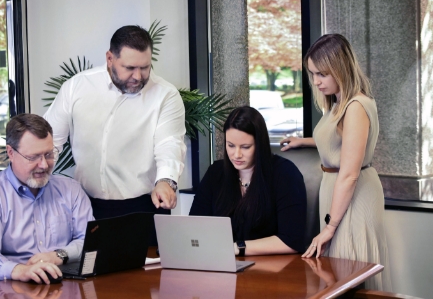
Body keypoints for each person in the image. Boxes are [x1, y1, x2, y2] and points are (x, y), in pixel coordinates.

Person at [280, 34, 391, 290]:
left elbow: (350, 173)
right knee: (341, 275)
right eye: (312, 74)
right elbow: (341, 142)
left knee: (351, 272)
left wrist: (330, 227)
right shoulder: (341, 102)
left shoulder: (355, 106)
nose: (316, 82)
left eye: (322, 74)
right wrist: (304, 141)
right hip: (339, 192)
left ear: (340, 69)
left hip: (353, 194)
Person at [43, 25, 186, 222]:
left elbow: (169, 144)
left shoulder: (166, 95)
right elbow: (49, 141)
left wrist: (166, 181)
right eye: (129, 68)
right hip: (86, 207)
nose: (138, 76)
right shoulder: (77, 87)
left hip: (144, 207)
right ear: (110, 58)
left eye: (145, 67)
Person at [0, 114, 94, 289]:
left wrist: (59, 255)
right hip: (3, 289)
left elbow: (89, 240)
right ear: (11, 152)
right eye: (33, 157)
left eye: (48, 154)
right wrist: (19, 270)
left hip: (56, 287)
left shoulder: (71, 190)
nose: (43, 165)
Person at [189, 106, 306, 256]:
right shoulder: (216, 172)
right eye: (230, 145)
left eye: (245, 147)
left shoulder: (285, 174)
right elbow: (195, 225)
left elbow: (292, 240)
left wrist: (238, 248)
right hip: (222, 263)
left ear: (260, 145)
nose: (236, 154)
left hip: (273, 269)